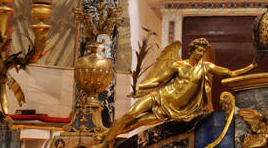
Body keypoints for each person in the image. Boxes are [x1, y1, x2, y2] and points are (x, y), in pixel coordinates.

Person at [105, 37, 254, 139]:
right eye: (199, 50)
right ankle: (106, 138)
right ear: (192, 50)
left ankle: (111, 136)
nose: (201, 53)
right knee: (129, 115)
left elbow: (230, 73)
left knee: (138, 122)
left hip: (175, 110)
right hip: (160, 97)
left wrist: (252, 66)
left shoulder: (205, 67)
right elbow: (159, 80)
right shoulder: (178, 65)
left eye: (203, 51)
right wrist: (141, 87)